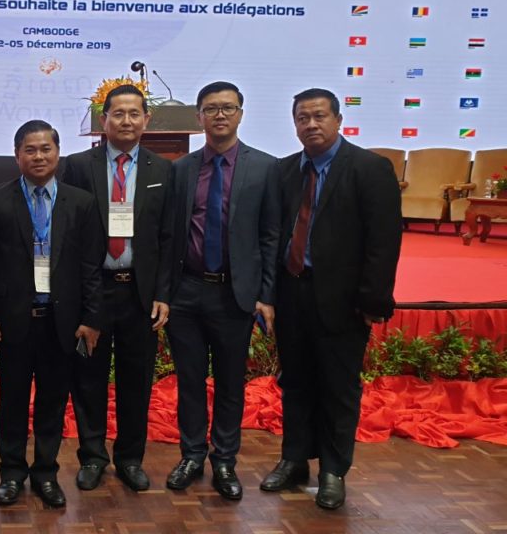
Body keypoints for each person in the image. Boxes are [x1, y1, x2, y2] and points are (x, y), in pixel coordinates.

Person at [259, 88, 402, 510]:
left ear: (338, 120)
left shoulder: (369, 168)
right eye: (302, 118)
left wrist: (373, 300)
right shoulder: (285, 170)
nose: (311, 124)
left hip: (343, 300)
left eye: (319, 116)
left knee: (338, 387)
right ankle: (294, 460)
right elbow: (275, 235)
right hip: (292, 292)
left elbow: (383, 241)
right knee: (295, 381)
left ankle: (333, 471)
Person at [0, 120, 102, 508]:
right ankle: (12, 473)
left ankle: (46, 473)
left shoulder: (81, 202)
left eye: (46, 149)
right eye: (30, 150)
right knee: (12, 402)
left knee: (52, 402)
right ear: (17, 155)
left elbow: (90, 267)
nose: (39, 156)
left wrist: (91, 318)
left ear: (58, 153)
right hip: (14, 321)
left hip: (61, 323)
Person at [164, 81, 280, 500]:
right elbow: (169, 236)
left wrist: (266, 295)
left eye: (228, 108)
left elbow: (271, 237)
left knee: (231, 383)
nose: (219, 115)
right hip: (187, 292)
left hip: (235, 294)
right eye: (211, 108)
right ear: (199, 116)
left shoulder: (265, 168)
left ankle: (225, 461)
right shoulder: (181, 170)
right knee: (190, 380)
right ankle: (192, 455)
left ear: (241, 114)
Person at [59, 84, 173, 492]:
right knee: (88, 378)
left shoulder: (163, 170)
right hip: (93, 291)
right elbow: (68, 234)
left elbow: (168, 238)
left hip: (139, 294)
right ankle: (92, 456)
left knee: (135, 380)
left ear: (147, 119)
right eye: (118, 113)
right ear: (103, 119)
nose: (126, 121)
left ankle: (129, 458)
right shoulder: (77, 166)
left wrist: (162, 293)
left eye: (134, 113)